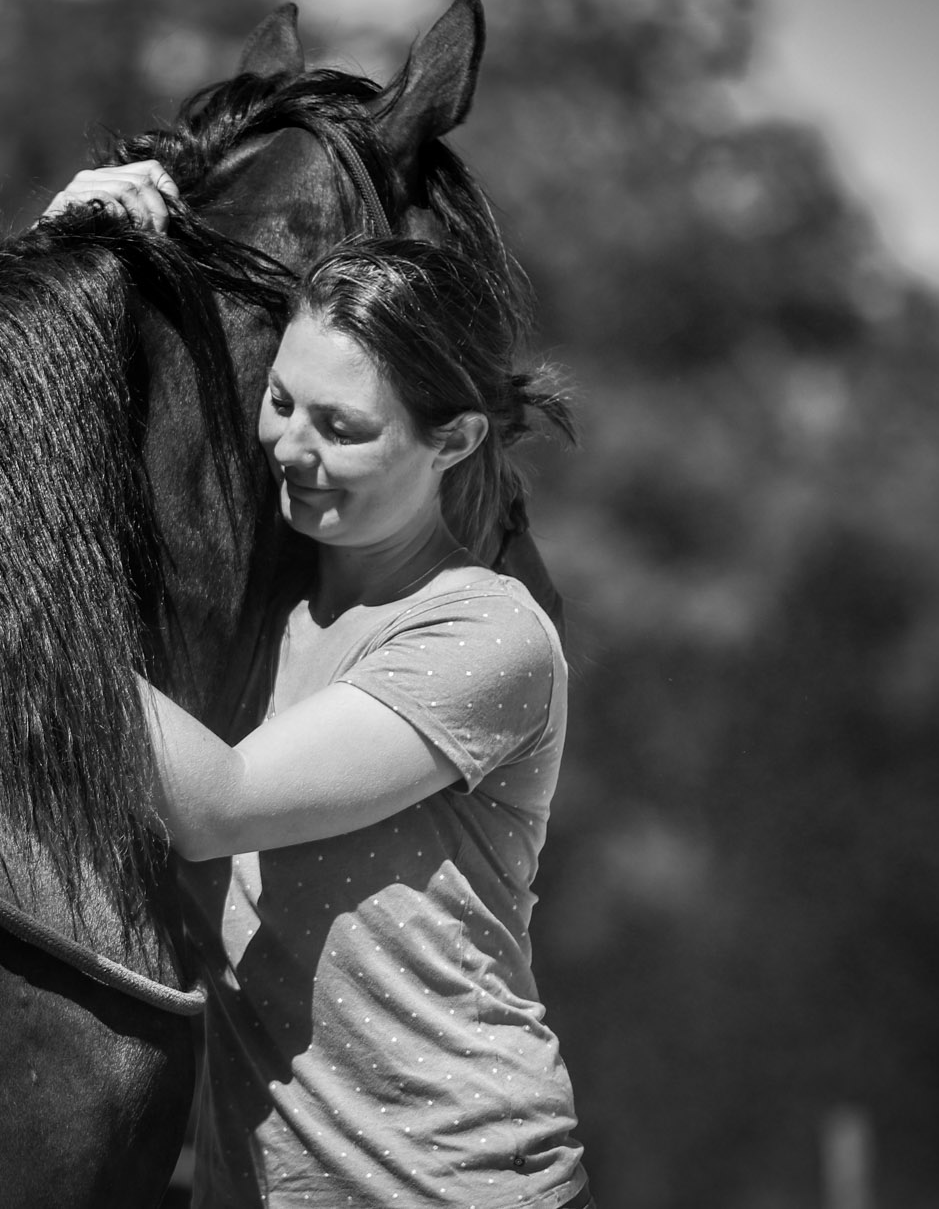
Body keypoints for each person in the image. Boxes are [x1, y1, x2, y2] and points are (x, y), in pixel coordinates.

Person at [45, 164, 591, 1209]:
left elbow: (218, 806)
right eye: (281, 401)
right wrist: (70, 249)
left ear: (455, 438)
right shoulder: (261, 617)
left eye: (341, 428)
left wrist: (20, 588)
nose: (290, 447)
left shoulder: (483, 632)